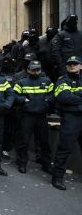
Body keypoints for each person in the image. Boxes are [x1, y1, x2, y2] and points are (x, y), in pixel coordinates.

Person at [13, 61, 53, 174]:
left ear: (40, 70)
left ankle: (46, 165)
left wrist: (47, 100)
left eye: (37, 69)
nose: (35, 72)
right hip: (27, 115)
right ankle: (22, 164)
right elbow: (14, 95)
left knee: (44, 142)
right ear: (28, 70)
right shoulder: (21, 82)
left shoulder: (47, 81)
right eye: (33, 69)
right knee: (24, 141)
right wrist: (23, 100)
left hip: (41, 115)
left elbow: (53, 94)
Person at [52, 56, 82, 190]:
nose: (72, 66)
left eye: (75, 64)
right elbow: (63, 97)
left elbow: (70, 97)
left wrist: (75, 98)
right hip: (71, 118)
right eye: (69, 64)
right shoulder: (62, 80)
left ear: (81, 66)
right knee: (64, 149)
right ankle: (57, 178)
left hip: (77, 114)